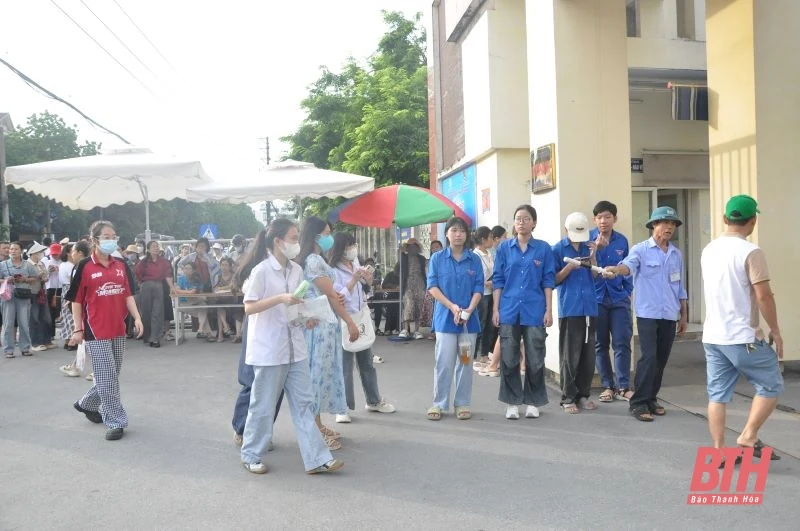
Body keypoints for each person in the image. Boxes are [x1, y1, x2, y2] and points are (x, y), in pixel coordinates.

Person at [238, 219, 343, 475]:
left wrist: (306, 316)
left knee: (304, 403)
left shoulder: (296, 270)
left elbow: (295, 304)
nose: (297, 243)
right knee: (262, 405)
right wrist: (279, 299)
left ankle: (317, 458)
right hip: (269, 349)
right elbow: (249, 307)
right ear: (277, 241)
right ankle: (251, 453)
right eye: (293, 238)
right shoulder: (261, 271)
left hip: (296, 348)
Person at [700, 195, 783, 461]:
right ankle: (748, 435)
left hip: (713, 336)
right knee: (771, 384)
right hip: (743, 337)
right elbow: (764, 296)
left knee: (717, 395)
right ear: (753, 221)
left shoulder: (709, 249)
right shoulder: (751, 252)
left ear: (725, 219)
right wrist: (776, 331)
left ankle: (720, 451)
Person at [603, 206, 688, 422]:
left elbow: (680, 287)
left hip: (669, 313)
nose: (669, 227)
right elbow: (628, 267)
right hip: (648, 313)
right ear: (653, 226)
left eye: (673, 224)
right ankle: (639, 402)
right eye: (664, 223)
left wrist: (683, 314)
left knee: (661, 359)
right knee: (649, 357)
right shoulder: (641, 249)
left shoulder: (676, 254)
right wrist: (616, 269)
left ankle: (651, 398)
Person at [65, 220, 144, 440]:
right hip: (95, 331)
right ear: (94, 240)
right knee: (108, 378)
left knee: (111, 375)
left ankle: (87, 403)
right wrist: (77, 329)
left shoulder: (121, 265)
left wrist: (137, 317)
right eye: (106, 237)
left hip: (118, 328)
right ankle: (115, 421)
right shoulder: (84, 267)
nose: (111, 240)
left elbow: (128, 294)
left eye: (113, 236)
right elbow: (76, 301)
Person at [297, 217, 359, 450]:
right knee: (316, 378)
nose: (329, 237)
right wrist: (350, 322)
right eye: (326, 233)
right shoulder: (313, 260)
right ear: (315, 236)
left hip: (322, 323)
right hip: (318, 326)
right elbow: (332, 295)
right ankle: (314, 430)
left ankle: (318, 425)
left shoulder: (316, 258)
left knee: (321, 378)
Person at [492, 205, 555, 420]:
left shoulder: (543, 249)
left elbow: (548, 280)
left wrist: (549, 310)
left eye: (526, 218)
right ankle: (512, 402)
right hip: (509, 309)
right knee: (509, 357)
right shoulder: (503, 249)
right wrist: (495, 309)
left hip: (535, 309)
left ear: (534, 223)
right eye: (518, 218)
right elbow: (498, 280)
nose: (521, 222)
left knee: (535, 357)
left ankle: (533, 401)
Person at [330, 232, 396, 423]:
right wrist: (352, 281)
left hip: (361, 317)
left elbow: (366, 291)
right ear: (340, 249)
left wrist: (367, 280)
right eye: (349, 246)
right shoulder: (333, 270)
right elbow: (338, 297)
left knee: (366, 362)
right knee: (345, 365)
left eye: (354, 245)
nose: (353, 249)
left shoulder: (356, 263)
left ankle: (374, 400)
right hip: (344, 319)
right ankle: (342, 408)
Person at [426, 217, 483, 421]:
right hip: (445, 320)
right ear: (447, 234)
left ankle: (462, 403)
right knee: (444, 362)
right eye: (454, 231)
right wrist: (451, 306)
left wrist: (468, 309)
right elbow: (432, 286)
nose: (458, 234)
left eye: (462, 231)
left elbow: (479, 287)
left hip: (468, 323)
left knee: (465, 362)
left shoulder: (474, 259)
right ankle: (439, 403)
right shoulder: (437, 258)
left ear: (467, 235)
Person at [552, 213, 599, 414]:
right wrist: (569, 267)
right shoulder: (557, 249)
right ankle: (568, 397)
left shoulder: (589, 246)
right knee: (570, 355)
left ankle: (584, 394)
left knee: (588, 355)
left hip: (589, 306)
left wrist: (594, 255)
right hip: (570, 308)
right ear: (566, 230)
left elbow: (596, 275)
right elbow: (553, 280)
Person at [590, 201, 634, 403]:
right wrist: (595, 250)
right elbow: (585, 267)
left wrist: (627, 291)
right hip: (596, 299)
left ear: (614, 219)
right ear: (594, 220)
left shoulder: (622, 241)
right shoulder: (588, 240)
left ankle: (624, 386)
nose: (603, 221)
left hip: (618, 299)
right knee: (600, 344)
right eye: (599, 217)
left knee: (622, 343)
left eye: (607, 217)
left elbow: (628, 267)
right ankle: (607, 386)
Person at [1, 242, 39, 358]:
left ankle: (25, 348)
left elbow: (35, 278)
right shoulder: (2, 265)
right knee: (8, 324)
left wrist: (25, 279)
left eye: (15, 249)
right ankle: (8, 350)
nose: (12, 251)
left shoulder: (27, 265)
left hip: (23, 297)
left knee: (24, 323)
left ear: (21, 251)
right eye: (11, 249)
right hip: (8, 297)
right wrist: (6, 280)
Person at [135, 241, 175, 348]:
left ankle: (155, 338)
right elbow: (138, 275)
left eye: (157, 246)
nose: (156, 248)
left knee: (157, 311)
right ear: (148, 249)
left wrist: (172, 287)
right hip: (146, 285)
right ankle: (147, 336)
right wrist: (143, 285)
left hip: (158, 285)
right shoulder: (143, 262)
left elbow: (168, 274)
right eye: (153, 246)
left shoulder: (164, 262)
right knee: (146, 312)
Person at [471, 227, 496, 367]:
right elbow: (473, 277)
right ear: (482, 239)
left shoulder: (490, 254)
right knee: (480, 323)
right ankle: (474, 354)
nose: (492, 240)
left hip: (491, 293)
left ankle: (484, 354)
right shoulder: (475, 256)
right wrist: (486, 283)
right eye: (490, 237)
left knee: (489, 325)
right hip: (481, 294)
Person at [399, 238, 427, 339]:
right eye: (410, 247)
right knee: (408, 304)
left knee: (419, 306)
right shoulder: (403, 258)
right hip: (408, 283)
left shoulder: (422, 258)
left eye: (414, 246)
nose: (412, 248)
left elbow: (425, 272)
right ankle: (405, 329)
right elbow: (398, 269)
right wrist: (401, 252)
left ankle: (417, 331)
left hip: (420, 283)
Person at [26, 242, 51, 352]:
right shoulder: (26, 264)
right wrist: (38, 277)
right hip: (32, 293)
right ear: (33, 253)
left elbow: (45, 276)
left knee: (45, 318)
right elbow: (26, 279)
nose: (41, 254)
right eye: (39, 252)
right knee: (34, 318)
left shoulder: (41, 263)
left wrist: (45, 277)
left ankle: (45, 340)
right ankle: (35, 342)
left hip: (42, 292)